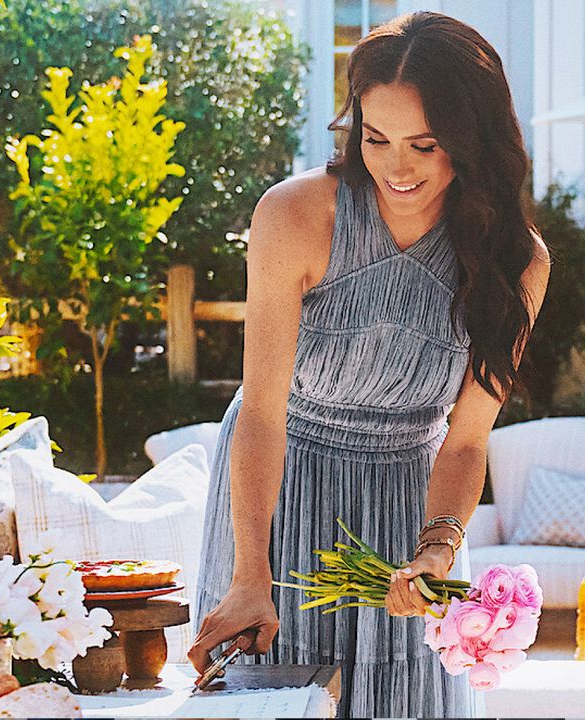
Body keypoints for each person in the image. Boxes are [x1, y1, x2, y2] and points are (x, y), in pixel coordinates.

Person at [187, 11, 551, 718]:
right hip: (279, 490)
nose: (396, 166)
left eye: (424, 143)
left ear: (471, 141)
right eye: (375, 137)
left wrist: (437, 552)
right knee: (275, 700)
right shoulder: (295, 216)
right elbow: (261, 410)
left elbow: (467, 439)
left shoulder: (518, 262)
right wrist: (250, 572)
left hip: (410, 501)